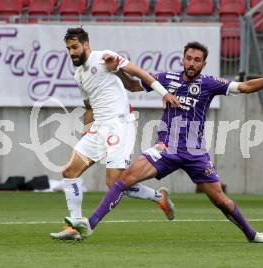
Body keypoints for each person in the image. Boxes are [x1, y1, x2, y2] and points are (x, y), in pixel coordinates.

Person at [64, 41, 263, 244]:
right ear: (183, 59)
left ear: (204, 64)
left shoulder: (210, 83)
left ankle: (253, 235)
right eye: (189, 58)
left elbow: (244, 87)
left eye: (197, 60)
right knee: (124, 180)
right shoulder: (166, 79)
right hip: (165, 148)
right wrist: (119, 71)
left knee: (220, 200)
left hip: (195, 152)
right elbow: (133, 85)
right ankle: (90, 224)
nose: (192, 63)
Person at [50, 27, 180, 241]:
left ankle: (159, 197)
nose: (72, 52)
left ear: (86, 44)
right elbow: (89, 106)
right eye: (68, 49)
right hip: (98, 128)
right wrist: (86, 128)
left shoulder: (103, 57)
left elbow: (138, 74)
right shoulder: (79, 75)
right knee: (69, 172)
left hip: (119, 125)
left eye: (75, 47)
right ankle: (74, 226)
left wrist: (164, 93)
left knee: (114, 184)